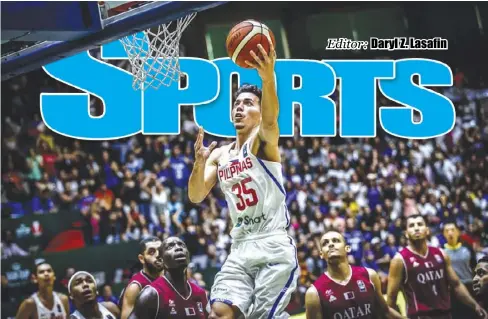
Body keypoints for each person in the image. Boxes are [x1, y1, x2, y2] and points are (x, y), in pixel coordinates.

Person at [188, 37, 298, 319]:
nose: (239, 107)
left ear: (259, 111)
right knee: (219, 312)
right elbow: (196, 195)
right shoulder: (219, 154)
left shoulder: (262, 142)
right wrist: (198, 165)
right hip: (240, 246)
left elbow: (272, 120)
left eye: (248, 103)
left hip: (272, 246)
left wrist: (268, 78)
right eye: (236, 103)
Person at [386, 214, 487, 319]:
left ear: (427, 230)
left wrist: (475, 305)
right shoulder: (399, 260)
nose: (416, 228)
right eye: (411, 225)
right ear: (406, 233)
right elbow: (390, 301)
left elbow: (456, 285)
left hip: (445, 315)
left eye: (420, 224)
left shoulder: (441, 254)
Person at [304, 230, 406, 319]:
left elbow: (385, 312)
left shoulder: (369, 275)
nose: (331, 244)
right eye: (325, 243)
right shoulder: (314, 293)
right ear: (321, 254)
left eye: (336, 241)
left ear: (347, 248)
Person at [128, 236, 208, 318]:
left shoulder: (200, 293)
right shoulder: (151, 294)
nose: (178, 248)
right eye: (170, 246)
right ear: (161, 259)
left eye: (182, 245)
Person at [120, 236, 164, 319]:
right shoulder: (135, 287)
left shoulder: (169, 277)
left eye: (160, 250)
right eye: (151, 252)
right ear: (141, 259)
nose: (158, 255)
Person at [442, 222, 478, 318]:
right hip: (453, 292)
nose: (450, 233)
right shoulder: (441, 252)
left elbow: (474, 267)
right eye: (447, 231)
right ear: (444, 234)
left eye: (453, 230)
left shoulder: (467, 248)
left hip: (470, 287)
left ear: (458, 232)